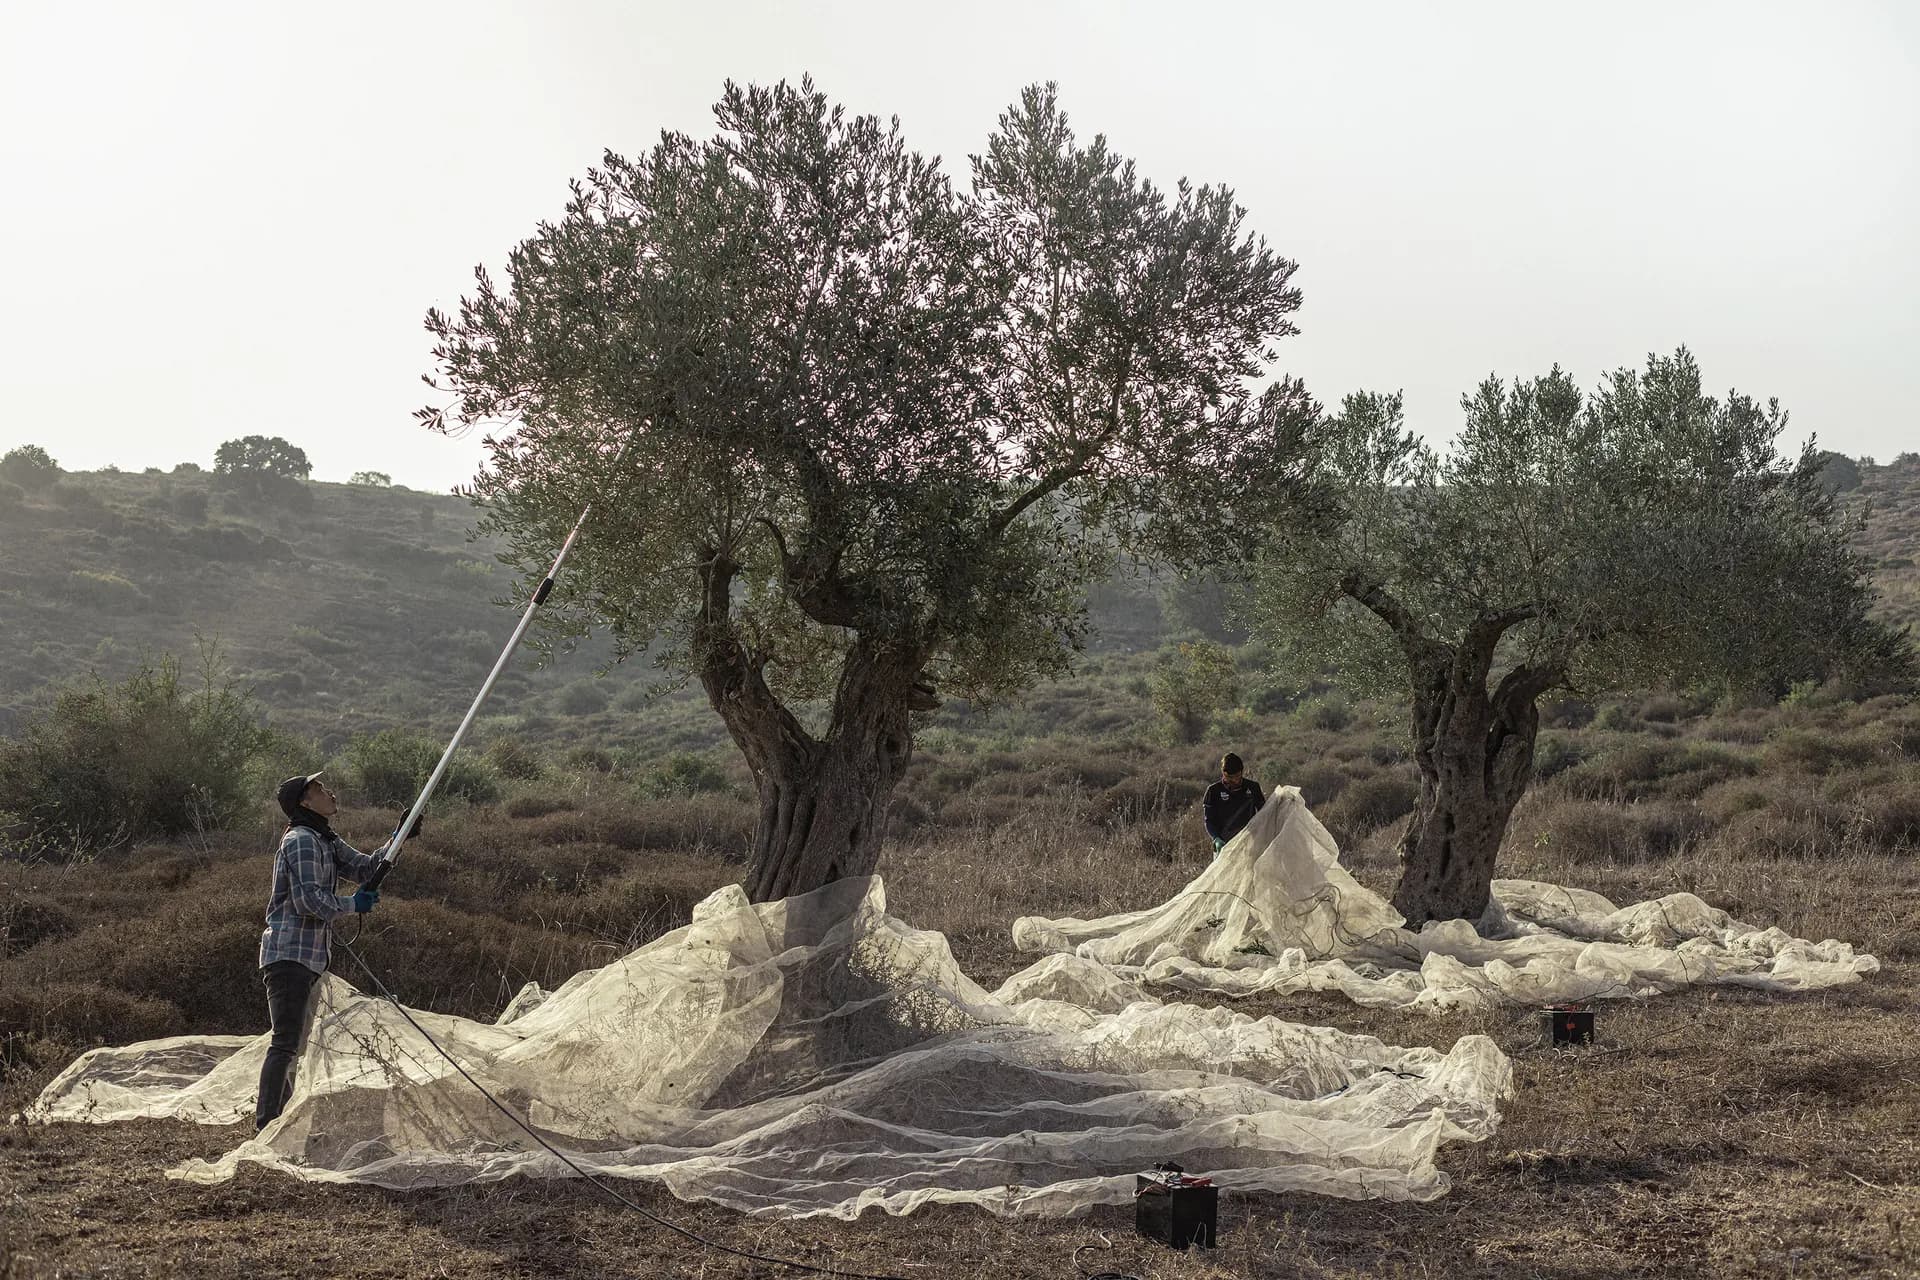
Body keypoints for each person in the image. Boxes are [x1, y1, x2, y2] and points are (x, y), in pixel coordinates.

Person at [254, 771, 386, 1131]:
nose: (329, 792)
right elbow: (308, 900)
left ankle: (281, 1119)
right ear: (305, 803)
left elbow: (364, 867)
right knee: (285, 1042)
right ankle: (267, 1123)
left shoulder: (324, 838)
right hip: (289, 955)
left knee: (295, 1044)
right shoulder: (301, 841)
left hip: (310, 957)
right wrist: (352, 905)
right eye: (319, 789)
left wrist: (399, 838)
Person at [1202, 752, 1266, 856]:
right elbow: (1209, 820)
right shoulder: (1213, 791)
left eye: (1238, 776)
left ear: (1241, 772)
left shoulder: (1253, 787)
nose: (1235, 780)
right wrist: (1216, 838)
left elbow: (1264, 813)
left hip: (1249, 844)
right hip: (1224, 845)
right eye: (1231, 777)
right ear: (1224, 774)